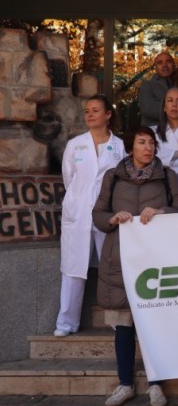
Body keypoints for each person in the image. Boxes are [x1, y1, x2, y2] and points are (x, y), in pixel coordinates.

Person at [92, 126, 178, 406]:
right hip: (120, 258)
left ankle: (155, 384)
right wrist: (112, 219)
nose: (148, 148)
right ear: (130, 147)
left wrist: (160, 212)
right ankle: (125, 384)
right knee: (123, 324)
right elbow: (98, 215)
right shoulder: (113, 176)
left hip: (153, 260)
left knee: (152, 325)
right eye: (142, 142)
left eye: (151, 143)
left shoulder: (166, 176)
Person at [54, 95, 125, 338]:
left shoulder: (119, 146)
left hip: (107, 214)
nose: (90, 115)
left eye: (95, 110)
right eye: (87, 111)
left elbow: (121, 181)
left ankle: (118, 320)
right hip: (79, 213)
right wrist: (78, 202)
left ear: (108, 115)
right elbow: (69, 179)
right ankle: (66, 323)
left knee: (112, 267)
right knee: (73, 268)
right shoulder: (75, 145)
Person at [138, 52, 175, 126]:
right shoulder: (147, 86)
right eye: (160, 63)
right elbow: (149, 109)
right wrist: (177, 109)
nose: (165, 65)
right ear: (155, 68)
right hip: (154, 130)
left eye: (168, 62)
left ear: (174, 65)